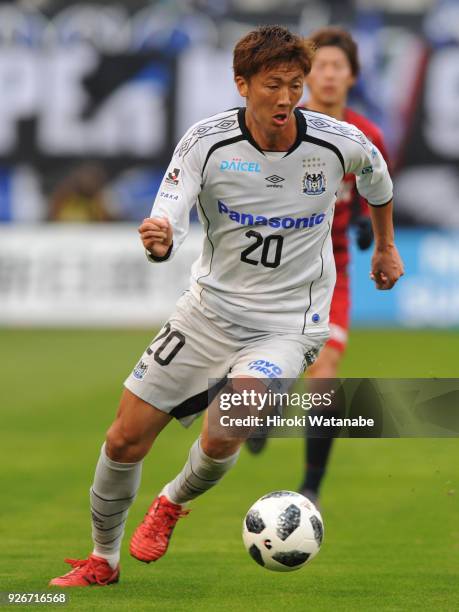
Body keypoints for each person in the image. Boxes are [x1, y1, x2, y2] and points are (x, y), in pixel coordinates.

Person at [49, 25, 403, 587]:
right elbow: (170, 207)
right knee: (124, 439)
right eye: (272, 85)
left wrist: (384, 246)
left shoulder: (339, 141)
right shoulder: (205, 143)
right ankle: (102, 559)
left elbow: (378, 182)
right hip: (207, 313)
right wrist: (161, 235)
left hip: (290, 324)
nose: (286, 98)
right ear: (241, 84)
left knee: (227, 426)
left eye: (295, 85)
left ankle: (169, 503)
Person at [298, 27, 392, 504]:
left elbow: (378, 192)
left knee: (326, 371)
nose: (329, 75)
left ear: (352, 76)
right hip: (277, 269)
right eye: (321, 67)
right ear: (306, 75)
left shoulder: (368, 135)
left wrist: (367, 229)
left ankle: (311, 486)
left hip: (330, 272)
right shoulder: (285, 126)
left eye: (338, 67)